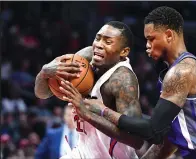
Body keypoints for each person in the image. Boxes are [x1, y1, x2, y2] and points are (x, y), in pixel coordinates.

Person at [60, 6, 196, 159]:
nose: (147, 46)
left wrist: (102, 110)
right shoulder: (173, 73)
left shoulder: (182, 71)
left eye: (151, 39)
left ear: (169, 35)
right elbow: (168, 139)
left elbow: (152, 131)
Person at [35, 21, 153, 159]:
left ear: (124, 51)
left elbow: (136, 140)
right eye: (98, 38)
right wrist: (45, 72)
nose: (99, 44)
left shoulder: (123, 79)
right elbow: (42, 93)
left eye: (108, 42)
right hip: (82, 152)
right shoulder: (87, 56)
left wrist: (87, 114)